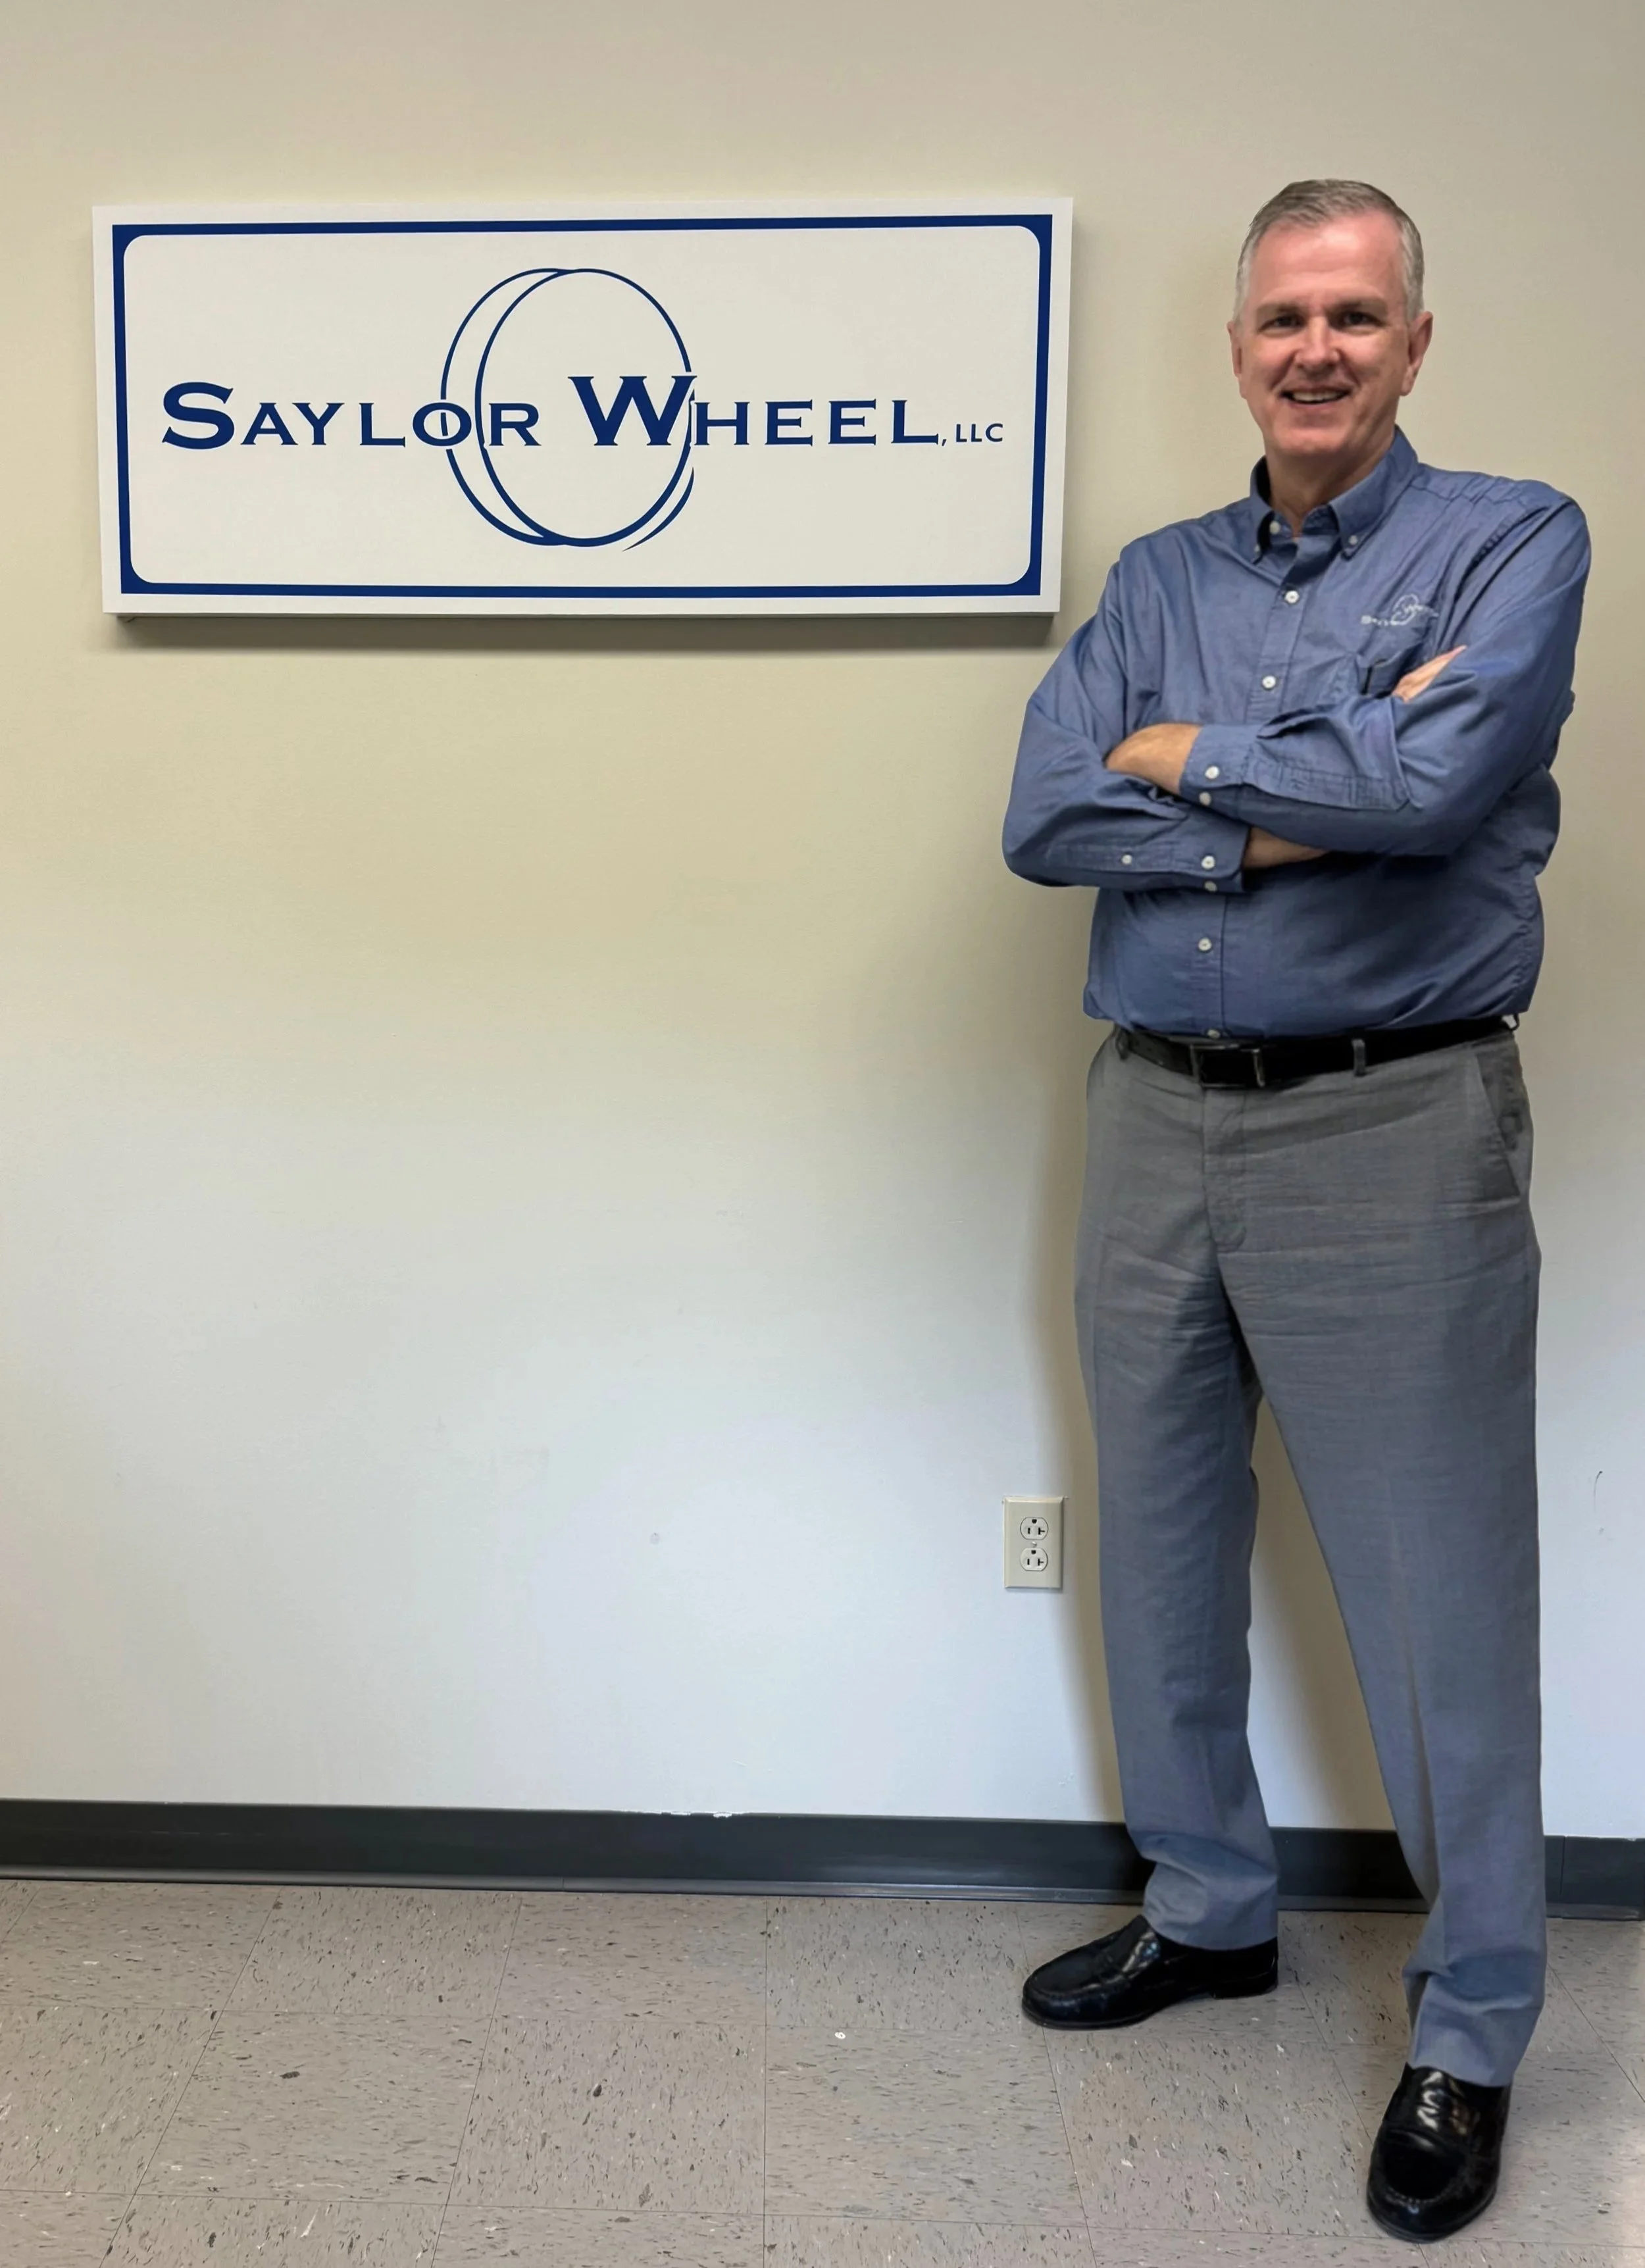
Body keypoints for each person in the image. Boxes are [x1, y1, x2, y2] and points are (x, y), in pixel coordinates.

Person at [1002, 179, 1588, 2243]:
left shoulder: (1509, 538)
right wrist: (1291, 794)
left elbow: (1434, 796)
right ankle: (1211, 1906)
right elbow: (1042, 809)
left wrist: (1188, 770)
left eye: (1353, 313)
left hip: (1389, 1124)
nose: (1314, 347)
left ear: (1413, 339)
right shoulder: (1155, 573)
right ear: (1235, 345)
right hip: (1154, 1113)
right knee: (1159, 1543)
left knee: (1438, 1601)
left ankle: (1475, 2020)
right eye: (1279, 318)